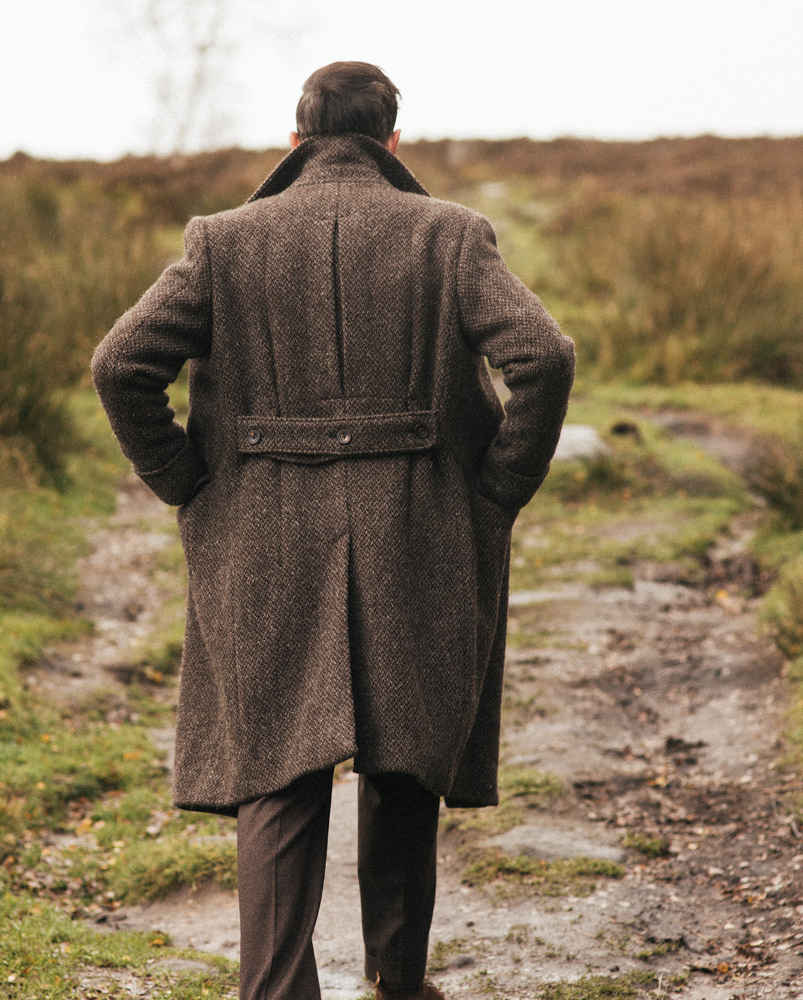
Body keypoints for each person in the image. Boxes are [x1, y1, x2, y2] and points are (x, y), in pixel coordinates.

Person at [92, 61, 575, 1000]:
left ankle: (274, 992)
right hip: (422, 537)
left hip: (261, 542)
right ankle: (399, 987)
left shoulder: (221, 242)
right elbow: (544, 357)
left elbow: (120, 366)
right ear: (394, 142)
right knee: (402, 764)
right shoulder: (451, 234)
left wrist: (187, 484)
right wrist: (495, 491)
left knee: (276, 769)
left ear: (295, 139)